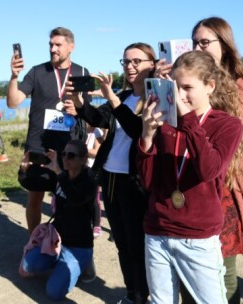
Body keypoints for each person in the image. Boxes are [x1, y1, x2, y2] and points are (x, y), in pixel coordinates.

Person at [139, 50, 243, 304]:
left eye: (187, 87)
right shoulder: (166, 123)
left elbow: (209, 170)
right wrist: (147, 136)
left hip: (197, 236)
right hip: (158, 230)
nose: (179, 95)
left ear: (210, 86)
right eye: (175, 87)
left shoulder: (227, 125)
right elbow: (148, 181)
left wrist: (188, 120)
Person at [66, 42, 154, 304]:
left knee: (138, 245)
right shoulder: (125, 97)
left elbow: (137, 129)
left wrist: (112, 98)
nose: (130, 66)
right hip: (111, 178)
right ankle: (131, 294)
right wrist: (80, 103)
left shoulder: (154, 100)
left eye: (137, 61)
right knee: (123, 244)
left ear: (152, 64)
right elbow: (97, 118)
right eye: (126, 61)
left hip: (135, 181)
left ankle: (143, 295)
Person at [6, 27, 91, 234]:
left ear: (71, 47)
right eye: (51, 45)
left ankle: (63, 243)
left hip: (69, 147)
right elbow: (12, 102)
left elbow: (88, 115)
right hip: (39, 146)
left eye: (58, 45)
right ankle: (34, 242)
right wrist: (14, 76)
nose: (53, 49)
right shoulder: (37, 71)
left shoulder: (81, 73)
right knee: (35, 197)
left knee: (67, 198)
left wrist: (78, 110)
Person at [18, 139, 97, 301]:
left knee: (53, 293)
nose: (66, 158)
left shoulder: (89, 179)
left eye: (71, 155)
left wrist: (59, 173)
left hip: (78, 246)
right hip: (56, 241)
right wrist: (23, 170)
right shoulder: (61, 176)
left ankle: (81, 265)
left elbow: (76, 198)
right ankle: (59, 264)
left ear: (83, 159)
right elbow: (32, 184)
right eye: (63, 154)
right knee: (28, 265)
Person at [85, 123, 104, 238]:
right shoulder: (78, 128)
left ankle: (96, 225)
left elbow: (98, 152)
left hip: (93, 170)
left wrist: (81, 149)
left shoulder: (97, 132)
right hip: (79, 168)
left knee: (94, 198)